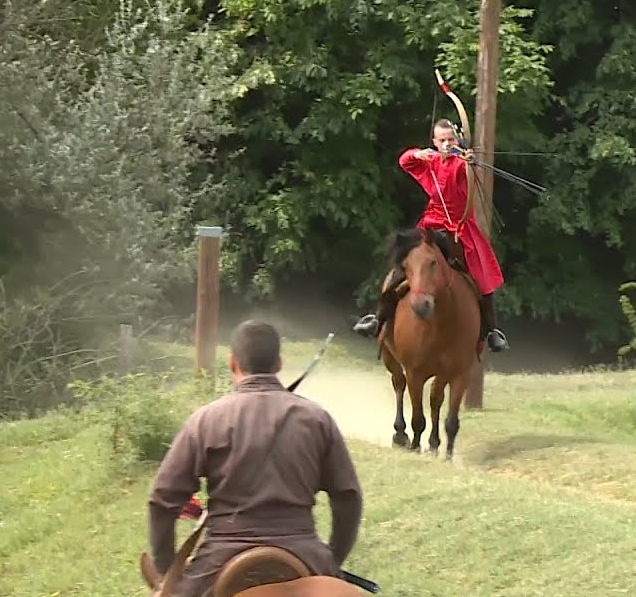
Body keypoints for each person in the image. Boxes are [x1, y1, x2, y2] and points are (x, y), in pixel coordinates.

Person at [146, 320, 363, 597]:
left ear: (233, 362)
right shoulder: (317, 419)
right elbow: (348, 496)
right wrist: (332, 561)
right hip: (304, 553)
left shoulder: (206, 420)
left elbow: (162, 500)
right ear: (279, 364)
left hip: (220, 558)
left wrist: (167, 570)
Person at [353, 118, 510, 352]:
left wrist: (468, 162)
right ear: (435, 142)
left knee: (482, 279)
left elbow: (466, 172)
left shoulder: (460, 164)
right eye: (442, 140)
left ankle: (491, 331)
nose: (447, 144)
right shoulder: (431, 162)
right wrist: (418, 154)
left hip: (459, 230)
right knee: (403, 267)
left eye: (451, 140)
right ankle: (378, 319)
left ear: (457, 141)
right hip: (430, 225)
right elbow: (404, 161)